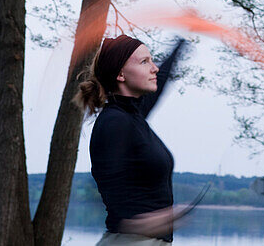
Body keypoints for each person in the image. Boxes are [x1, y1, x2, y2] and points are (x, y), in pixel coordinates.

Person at [76, 33, 191, 244]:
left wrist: (182, 40)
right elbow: (105, 183)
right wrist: (140, 223)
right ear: (121, 74)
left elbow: (162, 77)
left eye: (152, 60)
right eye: (144, 62)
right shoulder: (115, 122)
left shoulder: (132, 115)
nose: (154, 68)